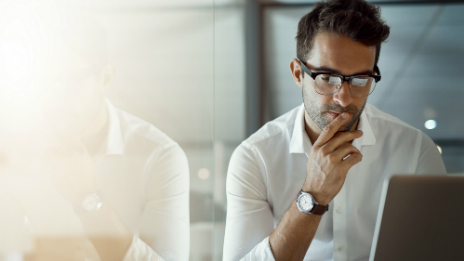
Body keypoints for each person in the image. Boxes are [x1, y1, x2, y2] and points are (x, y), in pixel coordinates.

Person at [223, 0, 446, 260]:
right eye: (328, 78)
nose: (344, 98)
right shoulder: (255, 157)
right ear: (298, 73)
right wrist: (313, 196)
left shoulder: (415, 150)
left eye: (360, 79)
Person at [0, 4, 189, 261]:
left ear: (106, 77)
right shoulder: (14, 153)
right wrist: (29, 254)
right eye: (43, 81)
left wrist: (86, 197)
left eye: (68, 79)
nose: (53, 96)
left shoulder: (159, 157)